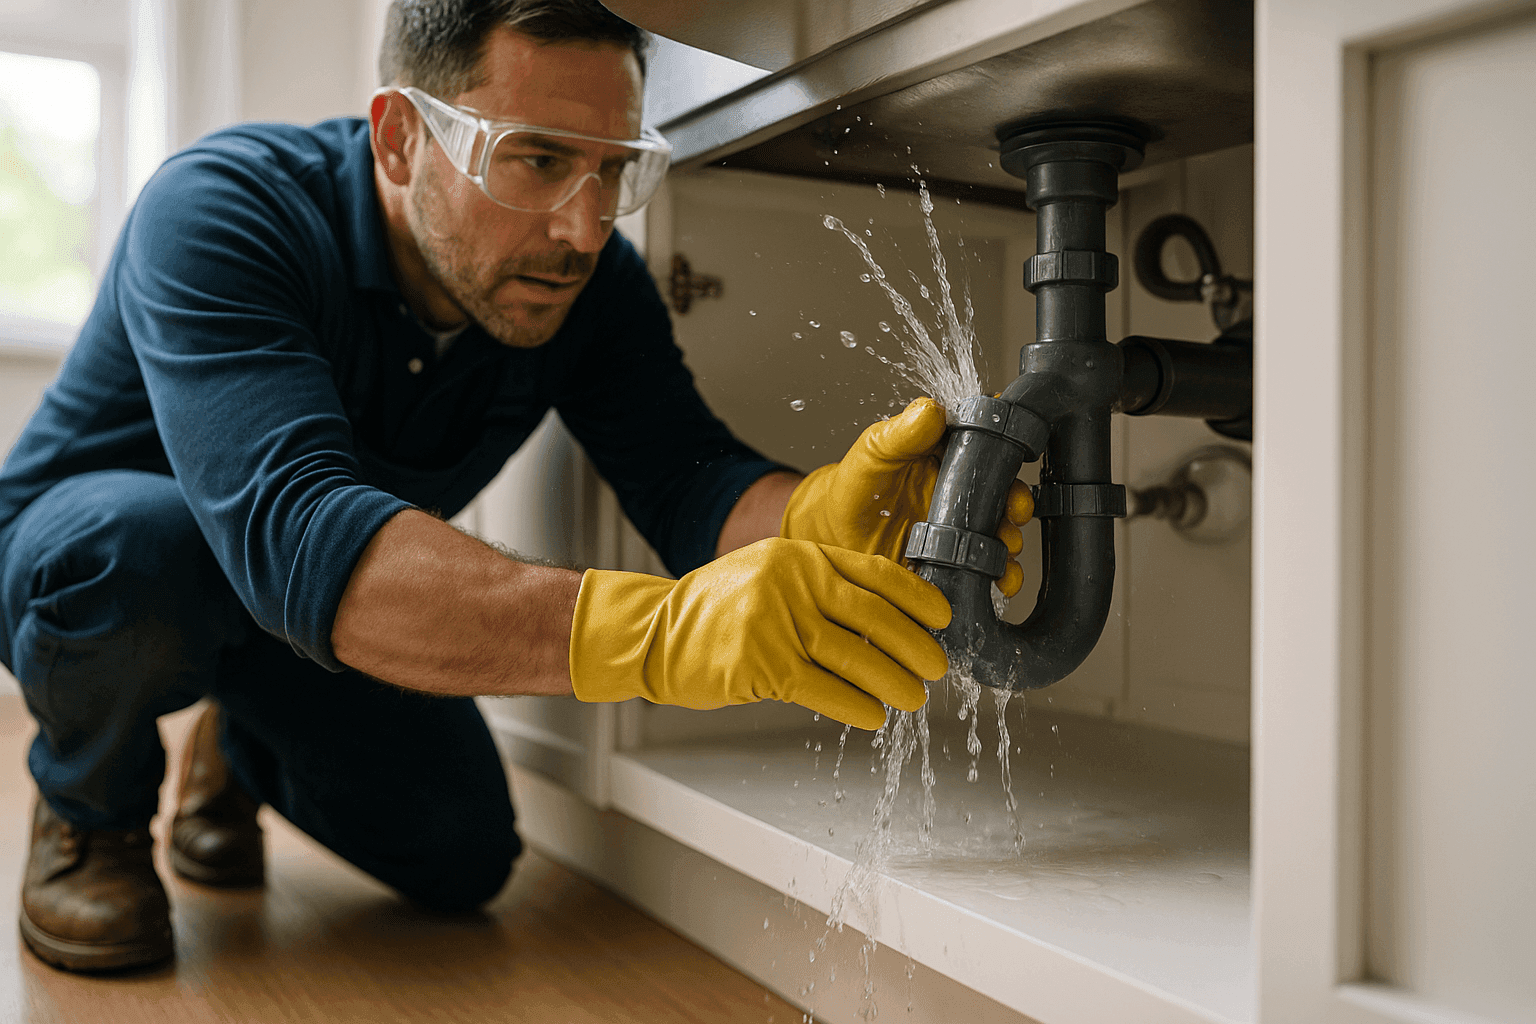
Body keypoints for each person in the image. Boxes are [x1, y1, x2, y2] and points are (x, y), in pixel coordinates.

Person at [0, 0, 1031, 974]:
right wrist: (660, 637)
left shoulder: (587, 285)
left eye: (613, 170)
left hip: (300, 604)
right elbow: (300, 532)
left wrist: (812, 518)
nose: (583, 228)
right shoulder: (222, 209)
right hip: (98, 570)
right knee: (146, 544)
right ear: (400, 139)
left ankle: (238, 734)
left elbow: (688, 477)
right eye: (536, 159)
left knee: (460, 852)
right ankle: (89, 812)